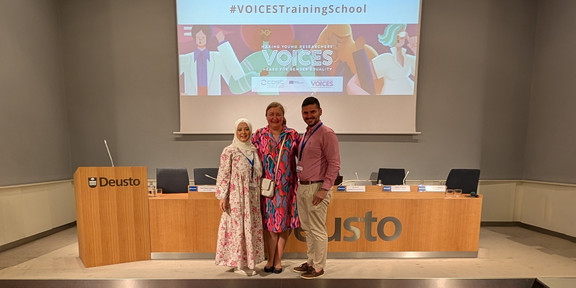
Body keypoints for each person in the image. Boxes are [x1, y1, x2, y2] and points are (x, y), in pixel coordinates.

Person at [292, 96, 340, 279]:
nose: (309, 115)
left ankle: (319, 267)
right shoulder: (305, 134)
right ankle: (311, 262)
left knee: (318, 229)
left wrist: (324, 189)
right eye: (305, 112)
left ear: (320, 111)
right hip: (303, 187)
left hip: (317, 187)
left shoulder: (327, 133)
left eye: (312, 112)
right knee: (308, 228)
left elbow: (334, 164)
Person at [252, 102, 301, 273]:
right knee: (269, 225)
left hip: (286, 188)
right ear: (266, 116)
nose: (275, 117)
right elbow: (249, 157)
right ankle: (270, 259)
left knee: (282, 225)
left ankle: (278, 260)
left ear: (283, 116)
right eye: (271, 114)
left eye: (278, 114)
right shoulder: (259, 134)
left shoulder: (292, 135)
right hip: (266, 189)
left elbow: (303, 157)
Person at [215, 118, 265, 276]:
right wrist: (223, 196)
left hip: (252, 197)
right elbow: (223, 174)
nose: (243, 133)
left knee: (249, 227)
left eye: (246, 129)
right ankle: (238, 263)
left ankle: (249, 262)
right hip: (236, 196)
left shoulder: (254, 150)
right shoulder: (229, 150)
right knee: (238, 228)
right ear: (235, 132)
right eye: (240, 130)